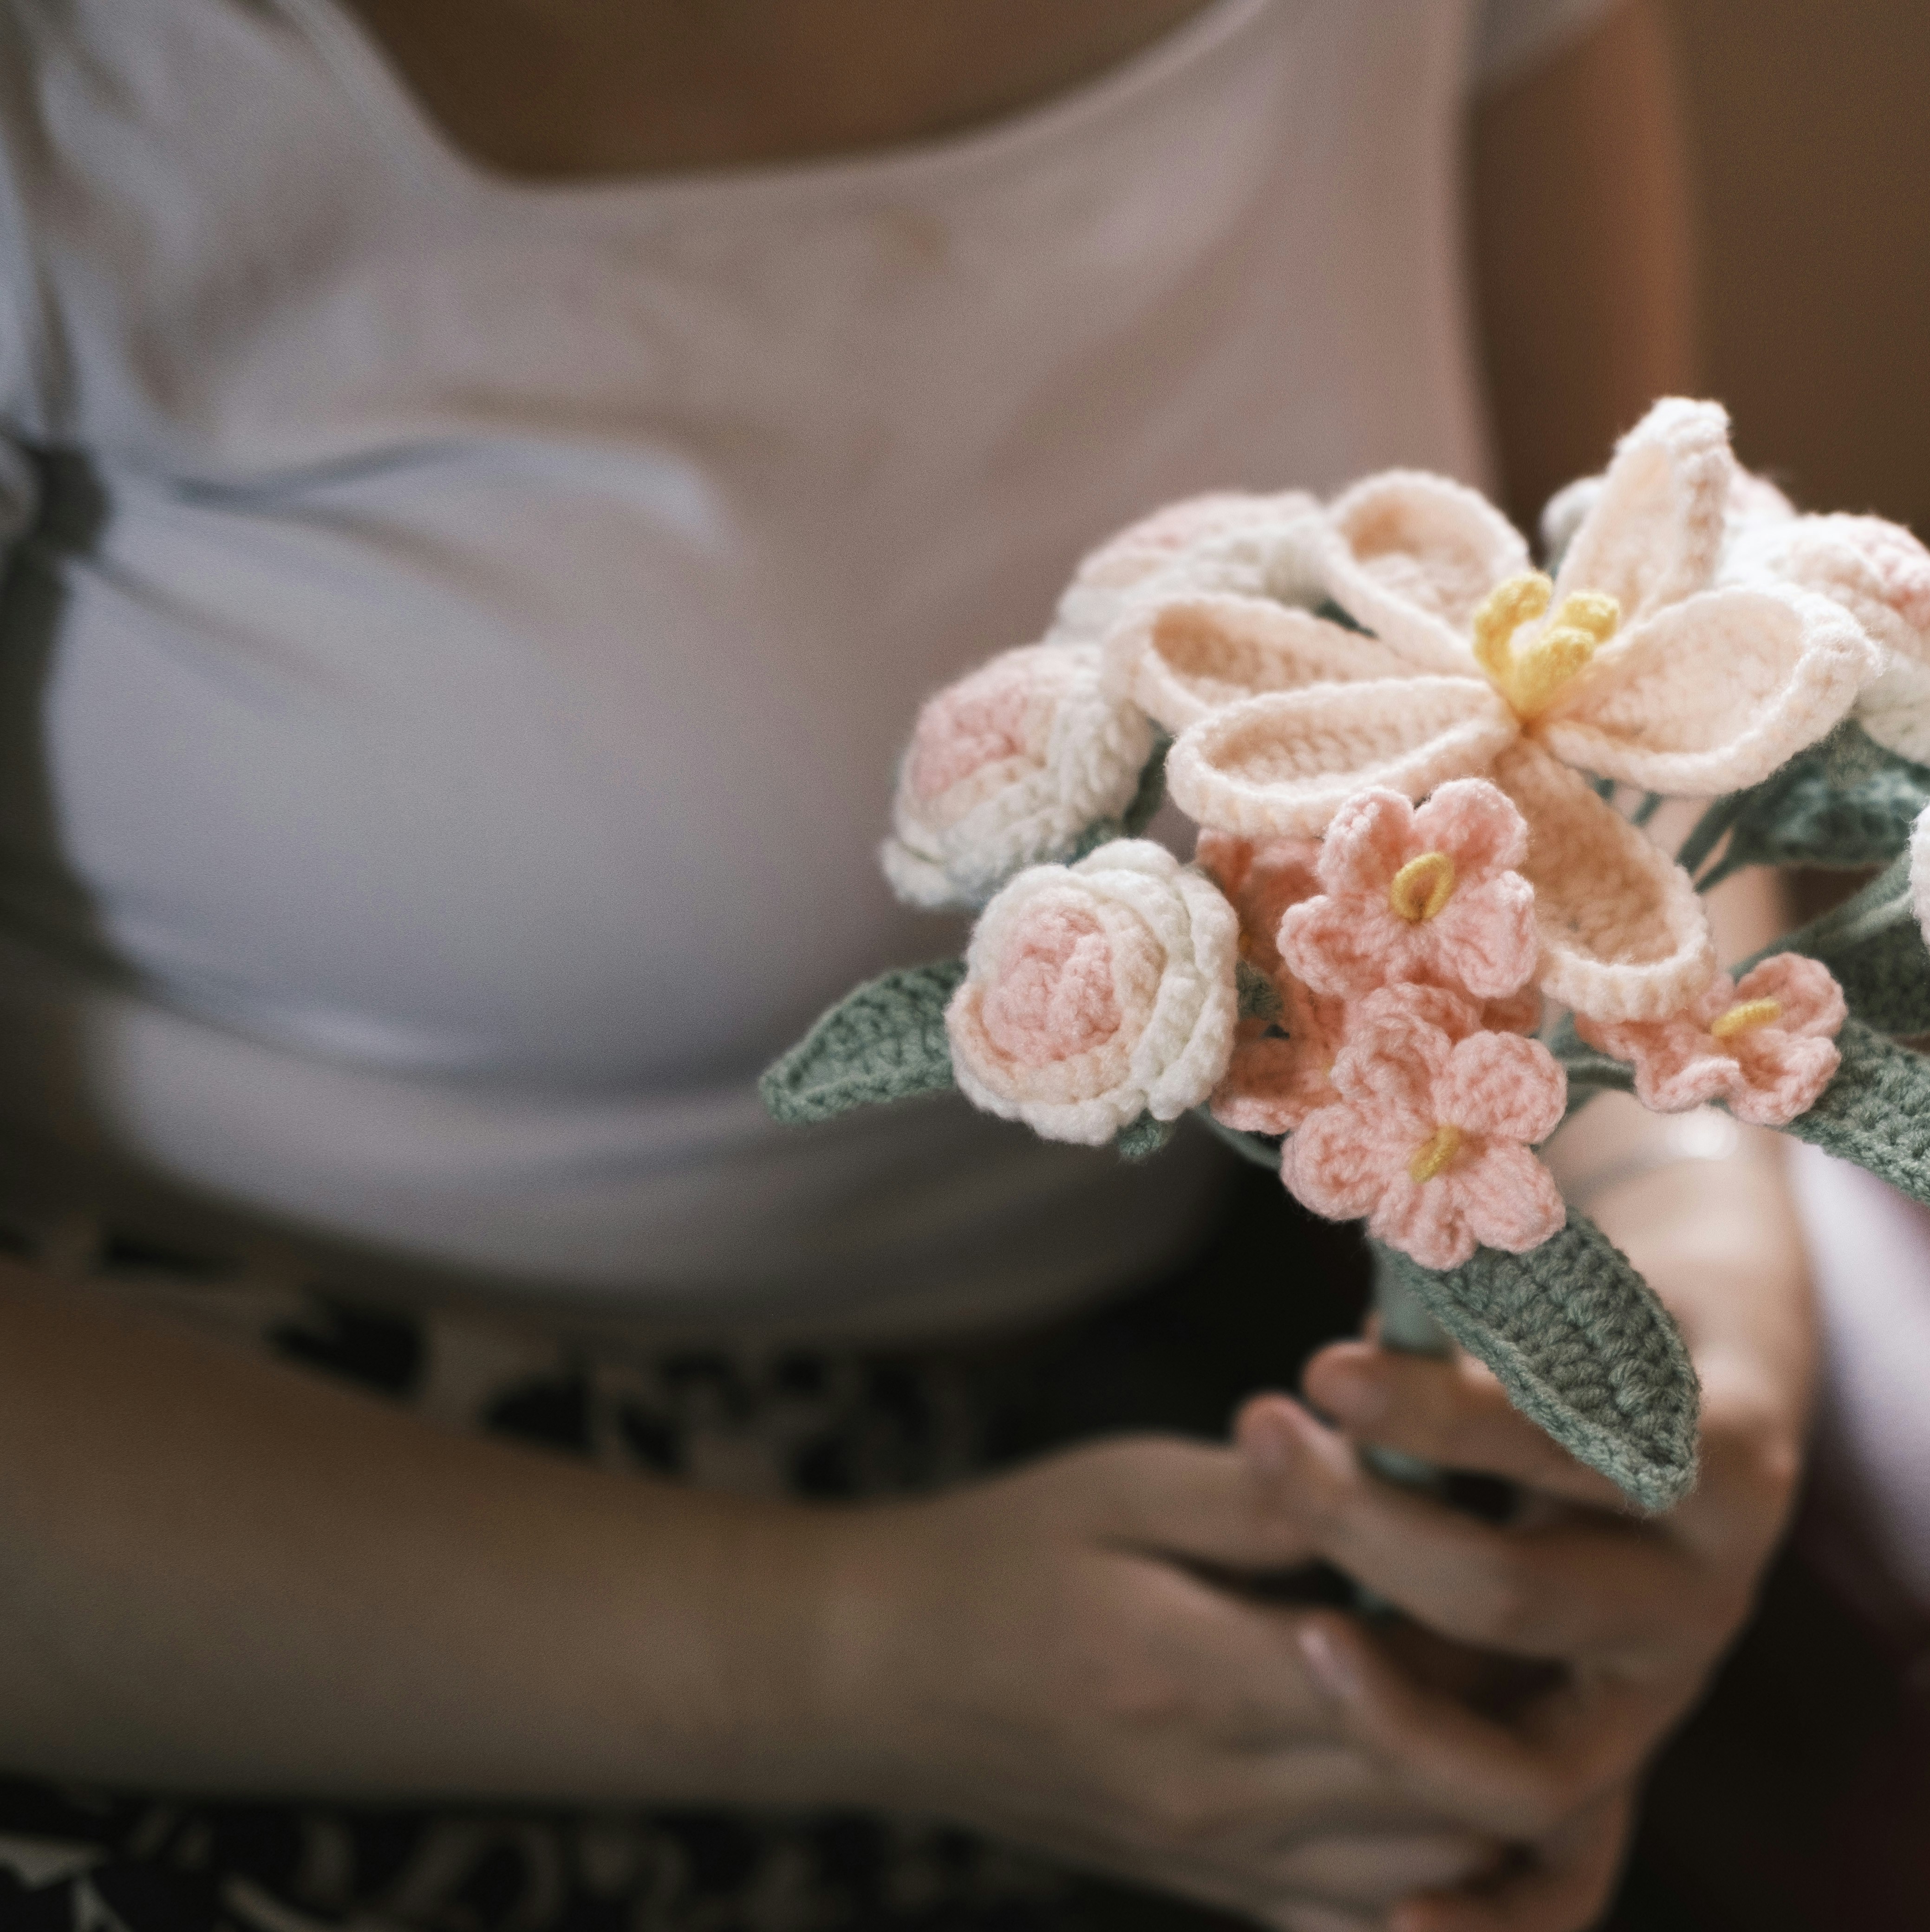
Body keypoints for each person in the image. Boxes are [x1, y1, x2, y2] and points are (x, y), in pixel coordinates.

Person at [0, 4, 1817, 1930]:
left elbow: (1604, 670)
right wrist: (841, 1658)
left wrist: (1693, 1238)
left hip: (1050, 1472)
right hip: (197, 1534)